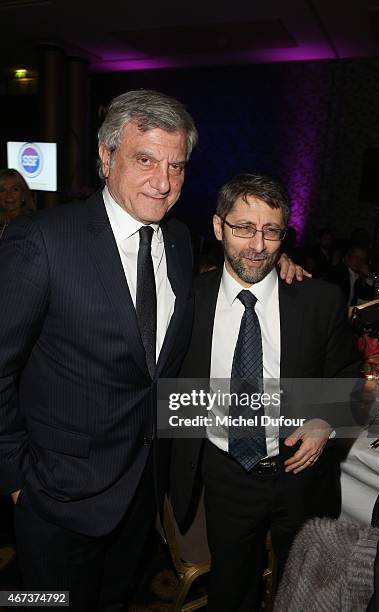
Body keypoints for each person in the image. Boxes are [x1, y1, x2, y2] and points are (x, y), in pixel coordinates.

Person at [0, 91, 303, 611]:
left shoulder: (181, 240)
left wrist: (276, 273)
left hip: (143, 492)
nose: (162, 182)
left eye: (176, 166)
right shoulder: (42, 240)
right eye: (145, 159)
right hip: (57, 494)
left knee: (115, 601)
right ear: (105, 157)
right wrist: (16, 478)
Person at [170, 173, 361, 612]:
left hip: (301, 474)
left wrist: (325, 418)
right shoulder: (186, 301)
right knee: (231, 589)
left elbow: (350, 374)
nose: (257, 245)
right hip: (225, 473)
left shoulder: (319, 300)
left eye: (271, 231)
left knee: (308, 590)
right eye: (243, 228)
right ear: (219, 228)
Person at [0, 168, 35, 238]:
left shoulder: (32, 225)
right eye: (3, 190)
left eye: (15, 189)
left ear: (23, 195)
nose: (9, 195)